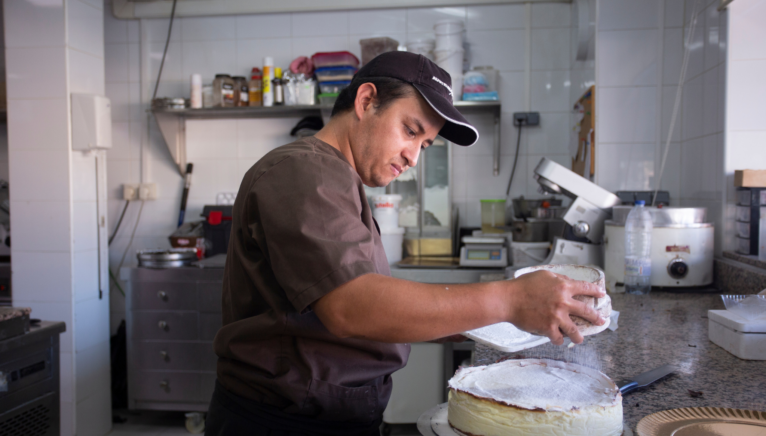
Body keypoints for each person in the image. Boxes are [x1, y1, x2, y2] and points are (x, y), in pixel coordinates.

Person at [205, 52, 605, 436]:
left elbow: (376, 312)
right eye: (410, 130)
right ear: (366, 101)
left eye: (425, 144)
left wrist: (493, 320)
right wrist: (509, 300)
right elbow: (352, 306)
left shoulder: (339, 181)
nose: (414, 157)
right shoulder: (303, 170)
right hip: (283, 423)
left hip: (325, 417)